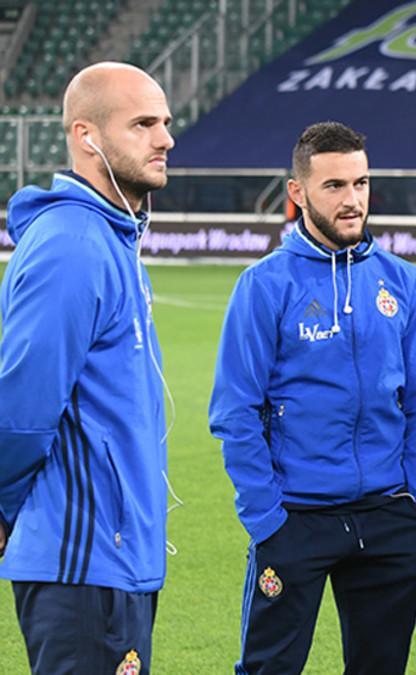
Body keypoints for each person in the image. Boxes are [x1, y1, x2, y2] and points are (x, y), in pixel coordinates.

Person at [209, 121, 416, 674]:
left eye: (361, 184)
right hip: (297, 517)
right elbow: (234, 410)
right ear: (298, 193)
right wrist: (267, 515)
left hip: (391, 515)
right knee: (269, 668)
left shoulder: (402, 282)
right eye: (334, 186)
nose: (352, 201)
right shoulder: (265, 285)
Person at [0, 62, 174, 673]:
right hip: (83, 559)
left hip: (116, 558)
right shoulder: (73, 244)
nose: (166, 139)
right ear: (87, 136)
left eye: (166, 123)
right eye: (144, 124)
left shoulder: (110, 238)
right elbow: (20, 407)